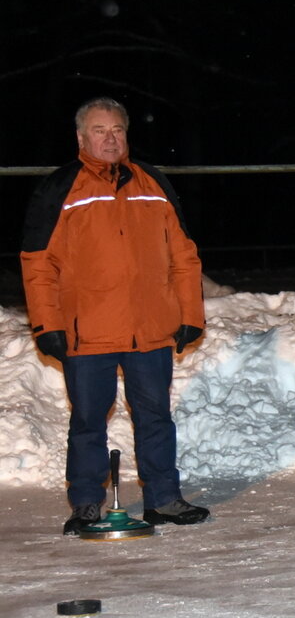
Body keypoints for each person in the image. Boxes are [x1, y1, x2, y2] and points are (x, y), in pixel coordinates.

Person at [21, 97, 209, 536]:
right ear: (82, 137)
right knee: (88, 420)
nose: (111, 139)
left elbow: (184, 256)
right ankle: (87, 502)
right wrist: (46, 324)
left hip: (150, 328)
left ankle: (164, 499)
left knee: (156, 416)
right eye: (100, 131)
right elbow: (37, 261)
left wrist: (190, 313)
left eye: (118, 130)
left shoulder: (153, 183)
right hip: (87, 332)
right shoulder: (60, 189)